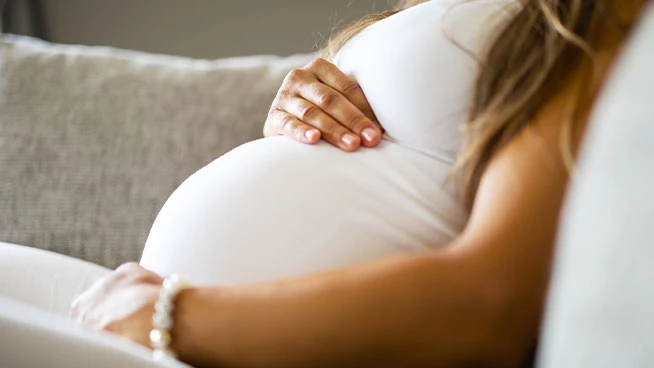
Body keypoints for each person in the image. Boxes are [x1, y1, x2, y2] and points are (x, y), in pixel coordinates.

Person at [1, 0, 650, 367]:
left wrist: (170, 317)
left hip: (198, 341)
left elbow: (493, 299)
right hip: (160, 327)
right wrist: (299, 114)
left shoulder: (597, 17)